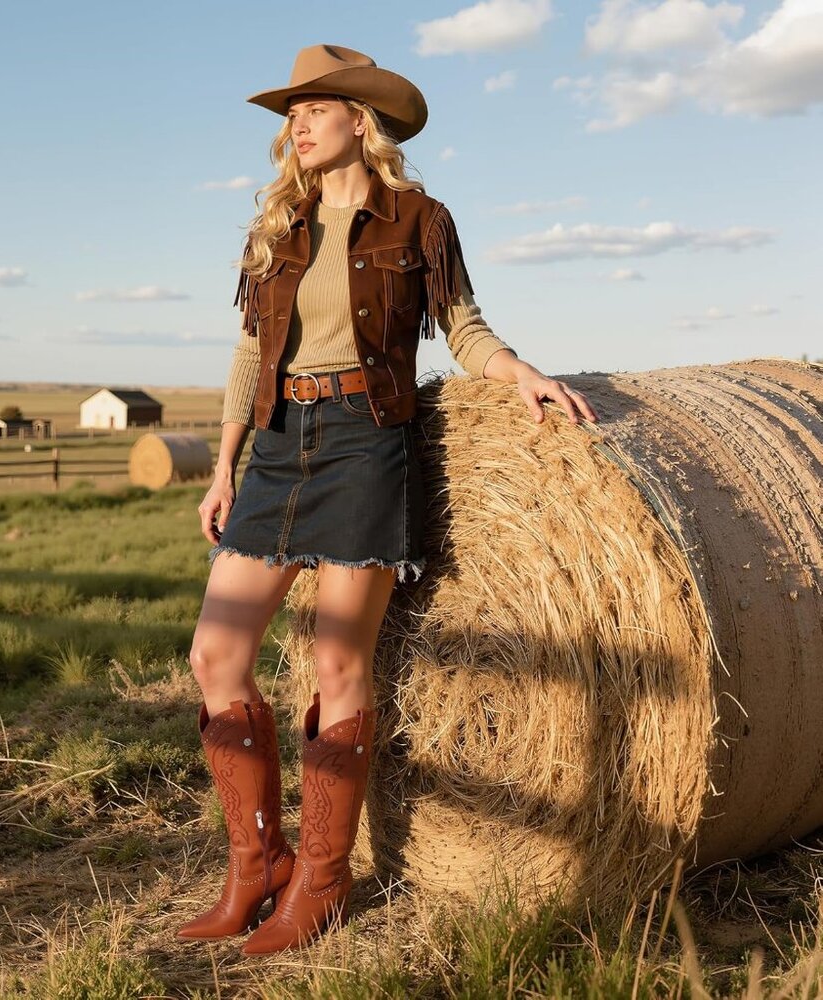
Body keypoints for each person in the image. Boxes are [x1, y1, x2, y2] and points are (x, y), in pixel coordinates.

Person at [177, 44, 597, 956]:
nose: (295, 124)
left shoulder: (418, 218)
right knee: (217, 653)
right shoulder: (277, 226)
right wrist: (223, 468)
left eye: (313, 109)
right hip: (282, 445)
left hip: (368, 442)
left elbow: (463, 326)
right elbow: (251, 353)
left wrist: (515, 370)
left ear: (359, 121)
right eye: (292, 112)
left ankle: (324, 883)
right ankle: (258, 864)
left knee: (337, 663)